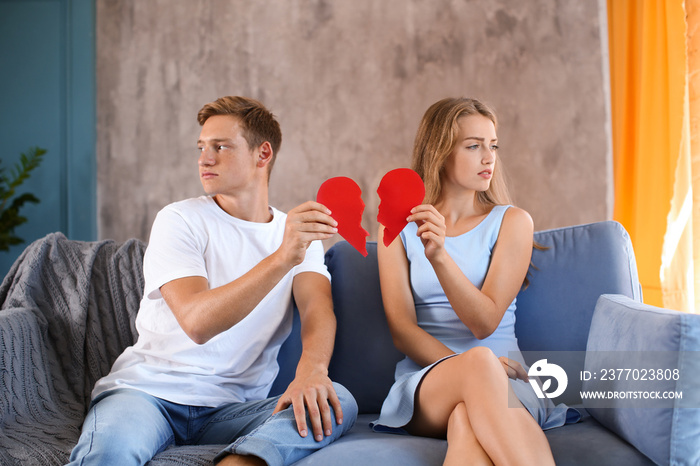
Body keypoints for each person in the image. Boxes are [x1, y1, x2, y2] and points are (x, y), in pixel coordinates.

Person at [68, 96, 358, 466]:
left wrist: (312, 373)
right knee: (110, 454)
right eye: (202, 147)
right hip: (147, 395)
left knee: (338, 401)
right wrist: (283, 256)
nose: (205, 159)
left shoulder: (297, 235)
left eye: (221, 147)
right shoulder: (180, 220)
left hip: (231, 411)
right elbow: (198, 323)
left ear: (262, 154)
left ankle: (240, 462)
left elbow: (318, 311)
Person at [372, 97, 579, 465]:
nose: (489, 157)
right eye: (474, 146)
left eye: (493, 145)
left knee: (466, 423)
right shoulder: (397, 228)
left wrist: (439, 257)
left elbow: (484, 322)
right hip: (429, 382)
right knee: (479, 365)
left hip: (508, 381)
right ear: (440, 152)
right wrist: (475, 369)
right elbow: (402, 331)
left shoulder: (513, 222)